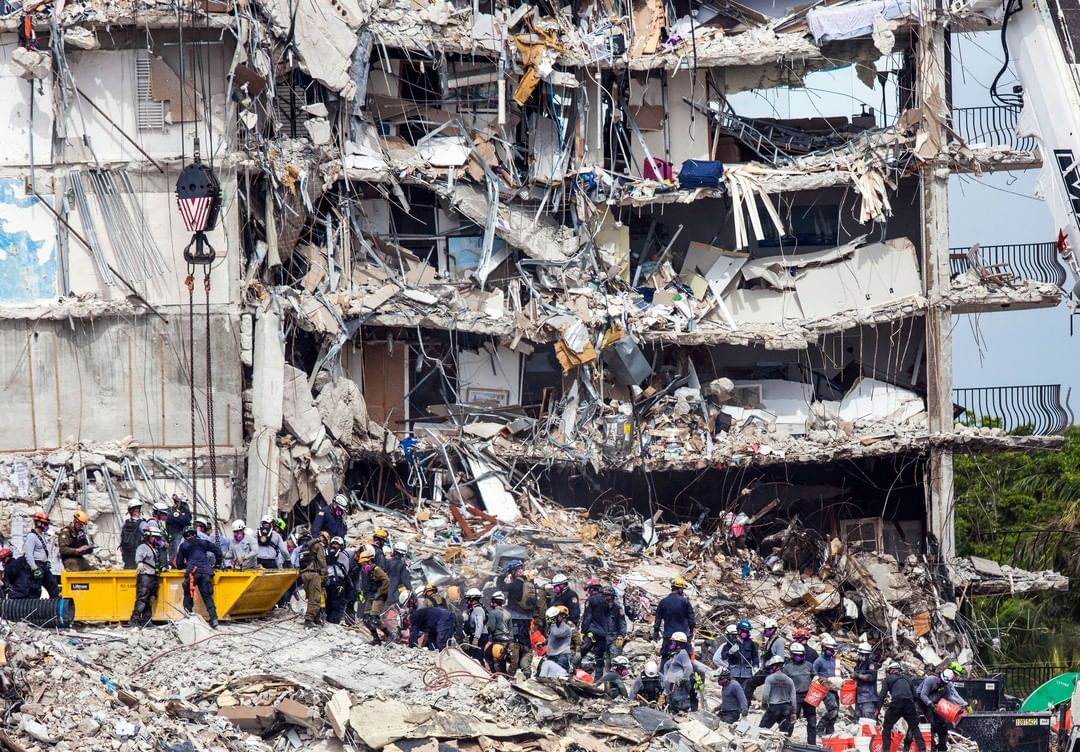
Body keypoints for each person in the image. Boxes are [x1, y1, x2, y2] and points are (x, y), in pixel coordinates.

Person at [174, 526, 223, 628]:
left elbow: (178, 565)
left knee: (188, 594)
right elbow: (218, 551)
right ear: (195, 534)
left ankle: (188, 617)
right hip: (206, 572)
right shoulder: (203, 542)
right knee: (207, 596)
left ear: (185, 536)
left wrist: (186, 565)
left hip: (192, 572)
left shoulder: (183, 546)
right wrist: (217, 564)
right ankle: (214, 619)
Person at [878, 660, 926, 752]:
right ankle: (922, 749)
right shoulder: (908, 679)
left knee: (887, 727)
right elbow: (915, 696)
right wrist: (914, 710)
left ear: (891, 670)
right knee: (915, 727)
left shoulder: (887, 679)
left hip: (896, 704)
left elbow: (882, 696)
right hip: (909, 704)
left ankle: (886, 749)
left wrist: (877, 710)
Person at [918, 668, 966, 752]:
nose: (942, 684)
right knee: (929, 725)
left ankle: (942, 747)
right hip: (921, 704)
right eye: (942, 682)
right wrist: (930, 704)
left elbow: (951, 698)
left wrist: (961, 707)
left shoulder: (945, 686)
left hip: (935, 705)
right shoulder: (930, 680)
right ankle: (931, 748)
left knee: (942, 725)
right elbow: (923, 695)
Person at [654, 577, 696, 667]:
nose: (683, 591)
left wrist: (656, 631)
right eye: (682, 589)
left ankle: (663, 674)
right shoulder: (685, 602)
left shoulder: (663, 602)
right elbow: (691, 620)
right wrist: (691, 632)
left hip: (669, 636)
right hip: (683, 637)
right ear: (679, 589)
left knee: (665, 657)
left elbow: (658, 618)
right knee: (686, 659)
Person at [503, 560, 535, 674]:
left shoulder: (516, 583)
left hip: (516, 617)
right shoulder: (528, 583)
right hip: (527, 617)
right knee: (526, 643)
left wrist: (502, 578)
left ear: (513, 571)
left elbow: (502, 587)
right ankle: (526, 668)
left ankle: (513, 671)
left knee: (514, 644)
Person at [783, 642, 818, 745]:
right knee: (791, 720)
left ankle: (812, 744)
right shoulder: (787, 667)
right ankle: (786, 741)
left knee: (812, 721)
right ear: (792, 655)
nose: (798, 657)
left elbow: (815, 676)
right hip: (795, 697)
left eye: (800, 655)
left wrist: (818, 680)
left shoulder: (809, 665)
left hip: (808, 695)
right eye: (796, 655)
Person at [355, 544, 390, 644]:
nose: (363, 565)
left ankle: (390, 635)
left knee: (374, 618)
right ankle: (376, 639)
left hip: (379, 597)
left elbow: (386, 580)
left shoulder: (377, 570)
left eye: (364, 563)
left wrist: (380, 592)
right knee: (366, 619)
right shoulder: (368, 572)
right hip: (371, 595)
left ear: (369, 561)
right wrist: (361, 593)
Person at [129, 527, 163, 627]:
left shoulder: (154, 548)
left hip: (153, 576)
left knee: (150, 599)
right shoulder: (143, 547)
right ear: (148, 536)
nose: (156, 539)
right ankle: (134, 621)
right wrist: (139, 563)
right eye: (154, 537)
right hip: (145, 576)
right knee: (142, 599)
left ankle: (146, 621)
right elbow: (138, 557)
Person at [23, 511, 59, 598]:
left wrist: (47, 561)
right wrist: (34, 568)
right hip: (37, 565)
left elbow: (44, 550)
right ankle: (32, 605)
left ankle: (54, 603)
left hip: (43, 566)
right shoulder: (31, 536)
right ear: (39, 523)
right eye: (45, 524)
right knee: (35, 589)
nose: (46, 526)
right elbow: (28, 554)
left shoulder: (41, 536)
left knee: (53, 586)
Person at [661, 631, 697, 713]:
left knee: (680, 704)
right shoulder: (676, 654)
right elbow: (667, 665)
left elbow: (689, 668)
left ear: (679, 643)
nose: (672, 643)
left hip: (680, 685)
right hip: (674, 685)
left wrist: (683, 680)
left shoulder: (682, 654)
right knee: (673, 704)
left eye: (674, 642)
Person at [296, 531, 327, 627]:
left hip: (304, 574)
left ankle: (315, 618)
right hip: (314, 574)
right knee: (315, 598)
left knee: (310, 597)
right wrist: (325, 576)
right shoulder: (318, 545)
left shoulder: (304, 547)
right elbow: (322, 561)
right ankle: (309, 620)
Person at [760, 655, 797, 735]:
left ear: (774, 667)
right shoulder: (789, 680)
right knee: (785, 733)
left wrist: (764, 704)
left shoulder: (769, 678)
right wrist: (794, 712)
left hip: (774, 708)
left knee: (761, 729)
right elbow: (793, 698)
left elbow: (766, 695)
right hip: (787, 708)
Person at [814, 634, 841, 735]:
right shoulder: (819, 661)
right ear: (824, 648)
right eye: (829, 650)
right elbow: (813, 674)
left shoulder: (834, 661)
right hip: (825, 688)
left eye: (832, 650)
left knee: (836, 711)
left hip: (834, 688)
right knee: (832, 709)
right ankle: (820, 728)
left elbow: (838, 673)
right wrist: (822, 680)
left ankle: (830, 730)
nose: (831, 651)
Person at [324, 536, 353, 625]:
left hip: (326, 581)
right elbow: (346, 570)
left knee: (327, 602)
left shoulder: (325, 553)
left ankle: (327, 620)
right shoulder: (343, 556)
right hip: (337, 582)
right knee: (337, 603)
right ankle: (334, 623)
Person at [723, 619, 759, 689]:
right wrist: (730, 652)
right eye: (744, 631)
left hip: (746, 675)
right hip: (734, 674)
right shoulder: (731, 642)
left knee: (745, 692)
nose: (746, 633)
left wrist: (756, 667)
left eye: (747, 631)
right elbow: (724, 656)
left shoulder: (750, 643)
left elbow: (755, 656)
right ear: (739, 630)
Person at [484, 591, 513, 674]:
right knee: (502, 659)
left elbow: (491, 628)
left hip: (498, 640)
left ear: (494, 601)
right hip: (508, 641)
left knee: (488, 656)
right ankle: (504, 675)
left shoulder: (493, 613)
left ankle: (495, 674)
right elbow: (511, 629)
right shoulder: (508, 613)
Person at [854, 642, 880, 720]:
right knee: (858, 720)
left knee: (868, 721)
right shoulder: (859, 664)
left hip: (868, 698)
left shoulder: (871, 664)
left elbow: (871, 677)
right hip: (859, 698)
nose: (862, 656)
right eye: (861, 654)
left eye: (864, 655)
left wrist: (858, 675)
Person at [119, 499, 147, 569]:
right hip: (139, 556)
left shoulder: (125, 523)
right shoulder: (143, 524)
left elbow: (121, 540)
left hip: (127, 556)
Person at [545, 605, 573, 670]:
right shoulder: (554, 627)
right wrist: (543, 643)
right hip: (552, 656)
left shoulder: (566, 628)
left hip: (561, 656)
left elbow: (556, 634)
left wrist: (553, 623)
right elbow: (552, 637)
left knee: (559, 674)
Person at [463, 588, 487, 658]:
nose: (467, 601)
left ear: (472, 599)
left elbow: (479, 625)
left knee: (477, 657)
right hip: (478, 636)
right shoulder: (474, 609)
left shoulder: (478, 610)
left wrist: (476, 639)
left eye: (468, 599)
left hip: (480, 637)